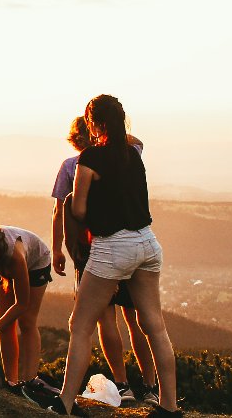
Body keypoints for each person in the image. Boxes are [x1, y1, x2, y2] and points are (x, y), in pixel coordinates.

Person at [24, 95, 181, 416]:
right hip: (147, 242)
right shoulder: (132, 155)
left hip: (113, 246)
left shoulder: (90, 158)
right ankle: (168, 405)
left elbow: (77, 207)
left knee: (80, 325)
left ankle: (65, 403)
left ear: (94, 124)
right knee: (155, 326)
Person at [51, 116, 159, 402]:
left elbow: (61, 211)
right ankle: (150, 387)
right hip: (130, 242)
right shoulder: (125, 157)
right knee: (136, 319)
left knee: (103, 319)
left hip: (93, 250)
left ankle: (122, 385)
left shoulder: (70, 166)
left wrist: (58, 248)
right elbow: (137, 143)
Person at [0, 225, 52, 389]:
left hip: (36, 263)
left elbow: (22, 304)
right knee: (5, 322)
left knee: (27, 322)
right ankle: (11, 381)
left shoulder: (14, 257)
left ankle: (29, 380)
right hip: (2, 265)